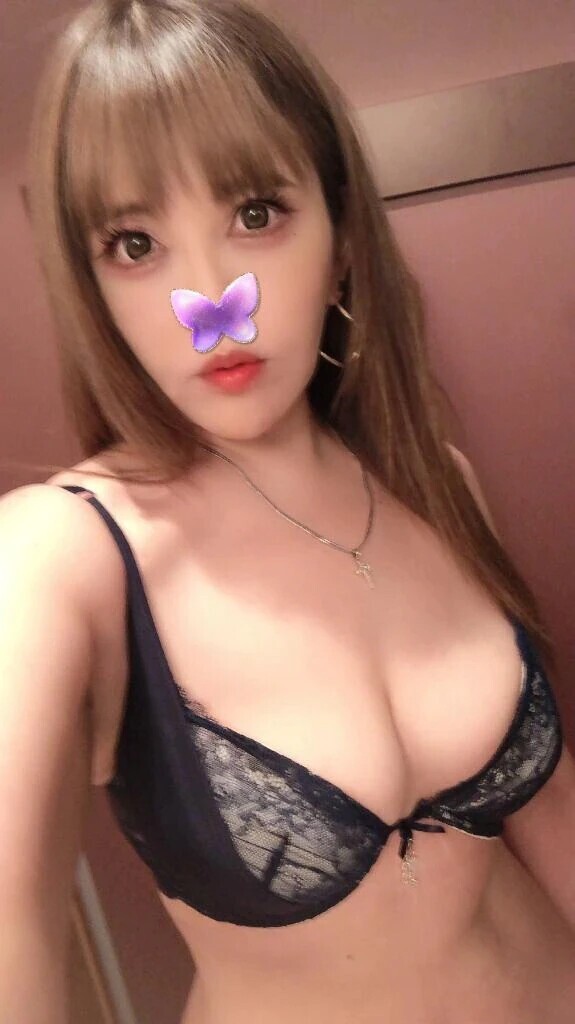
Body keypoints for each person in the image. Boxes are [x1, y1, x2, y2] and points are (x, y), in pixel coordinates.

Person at [1, 1, 574, 1021]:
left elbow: (553, 805)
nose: (213, 301)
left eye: (256, 213)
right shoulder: (60, 555)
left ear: (341, 239)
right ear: (92, 288)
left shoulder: (437, 483)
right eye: (134, 242)